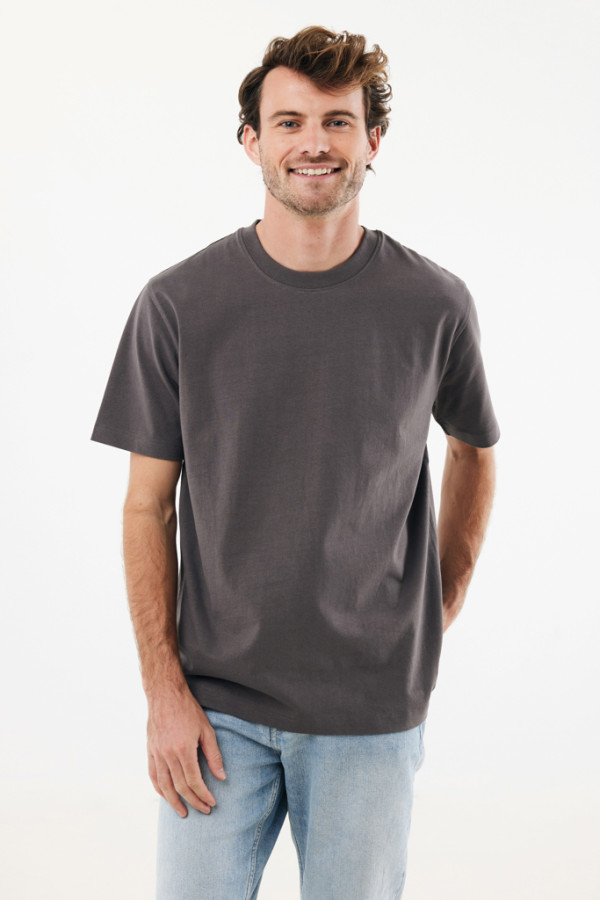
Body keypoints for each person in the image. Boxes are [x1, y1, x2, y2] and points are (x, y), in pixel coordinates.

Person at [91, 25, 500, 900]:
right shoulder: (177, 304)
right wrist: (163, 692)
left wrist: (443, 599)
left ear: (373, 141)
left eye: (337, 122)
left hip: (370, 710)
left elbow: (473, 448)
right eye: (289, 122)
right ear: (252, 141)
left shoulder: (433, 304)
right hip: (215, 708)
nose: (314, 142)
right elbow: (144, 507)